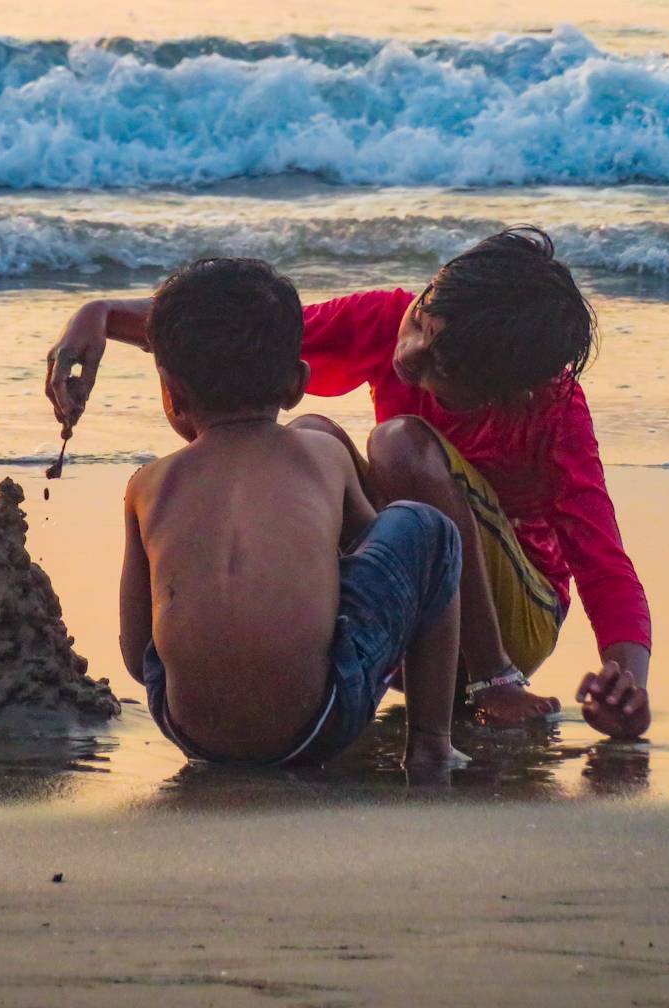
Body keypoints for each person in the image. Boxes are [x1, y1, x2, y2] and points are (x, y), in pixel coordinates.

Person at [48, 228, 653, 739]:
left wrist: (627, 680)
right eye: (421, 321)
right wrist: (98, 315)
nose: (408, 354)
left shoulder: (551, 414)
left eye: (438, 366)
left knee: (397, 444)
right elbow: (242, 340)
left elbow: (603, 563)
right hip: (413, 616)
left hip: (509, 618)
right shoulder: (385, 321)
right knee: (310, 436)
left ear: (505, 392)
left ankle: (494, 678)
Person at [120, 257, 468, 772]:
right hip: (318, 725)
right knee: (428, 528)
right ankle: (431, 745)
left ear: (173, 392)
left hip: (187, 727)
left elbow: (136, 654)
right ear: (297, 382)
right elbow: (376, 556)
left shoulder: (147, 485)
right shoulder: (321, 454)